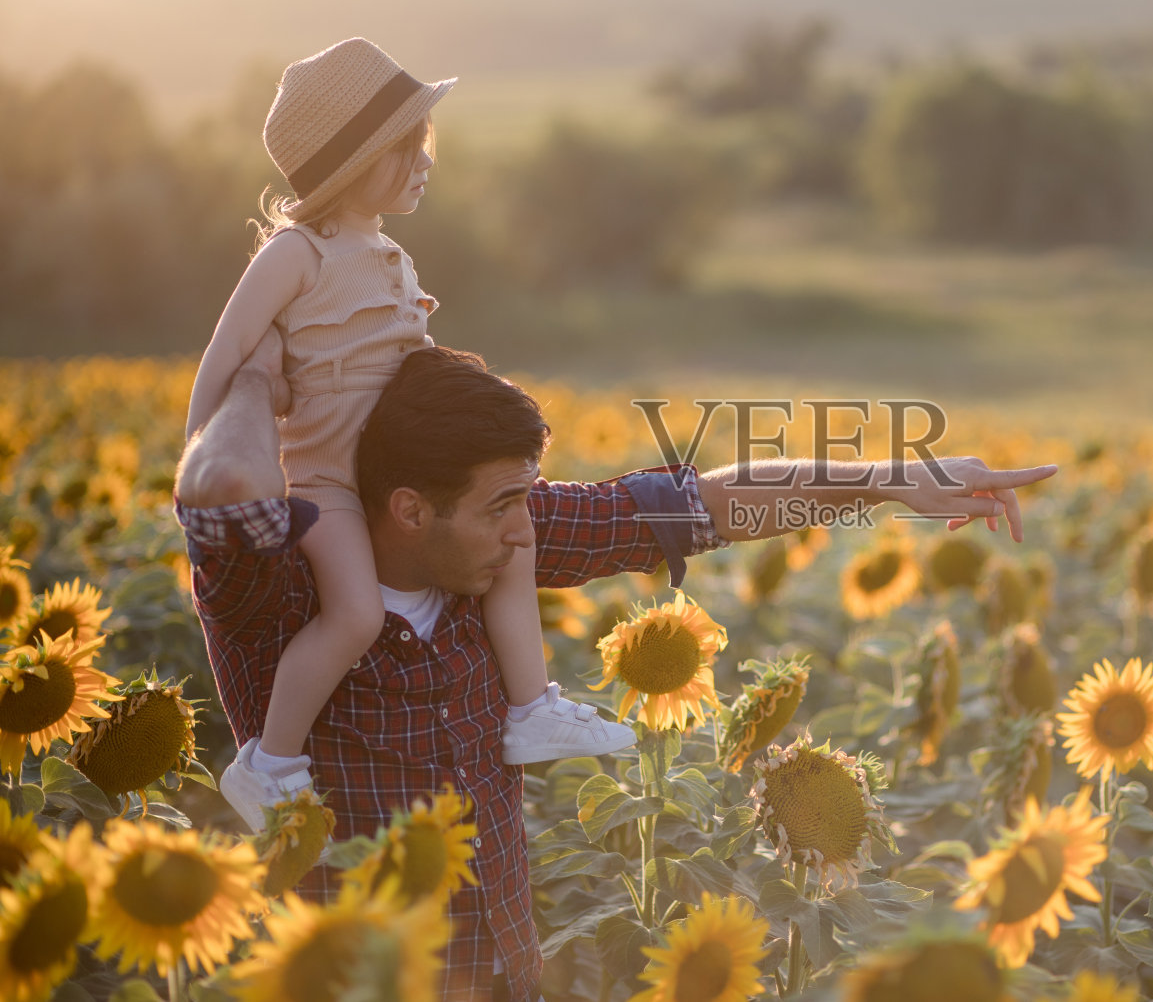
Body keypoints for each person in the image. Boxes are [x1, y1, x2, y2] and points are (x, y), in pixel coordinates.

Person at [175, 336, 1055, 1001]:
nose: (528, 529)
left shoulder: (494, 553)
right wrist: (259, 363)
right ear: (409, 508)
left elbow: (706, 503)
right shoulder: (280, 596)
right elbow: (218, 483)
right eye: (504, 503)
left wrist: (898, 478)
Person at [182, 37, 631, 836]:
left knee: (512, 543)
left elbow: (414, 369)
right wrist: (199, 481)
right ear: (352, 163)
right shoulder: (299, 253)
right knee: (354, 615)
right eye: (407, 146)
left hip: (400, 471)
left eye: (424, 142)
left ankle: (530, 708)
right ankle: (268, 761)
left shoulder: (391, 254)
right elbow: (225, 355)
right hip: (328, 488)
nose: (426, 159)